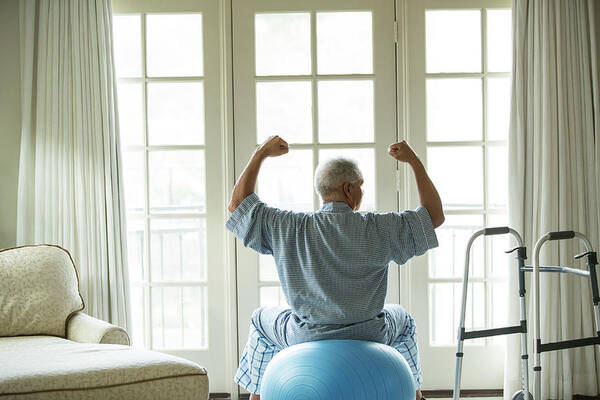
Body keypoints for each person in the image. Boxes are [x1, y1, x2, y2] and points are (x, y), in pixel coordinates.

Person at [226, 135, 444, 400]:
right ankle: (416, 395)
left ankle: (258, 397)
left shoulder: (289, 226)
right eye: (361, 187)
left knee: (260, 319)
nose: (362, 193)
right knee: (404, 319)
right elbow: (433, 215)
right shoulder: (379, 228)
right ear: (349, 189)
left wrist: (260, 153)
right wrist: (414, 162)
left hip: (305, 335)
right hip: (370, 335)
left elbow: (238, 206)